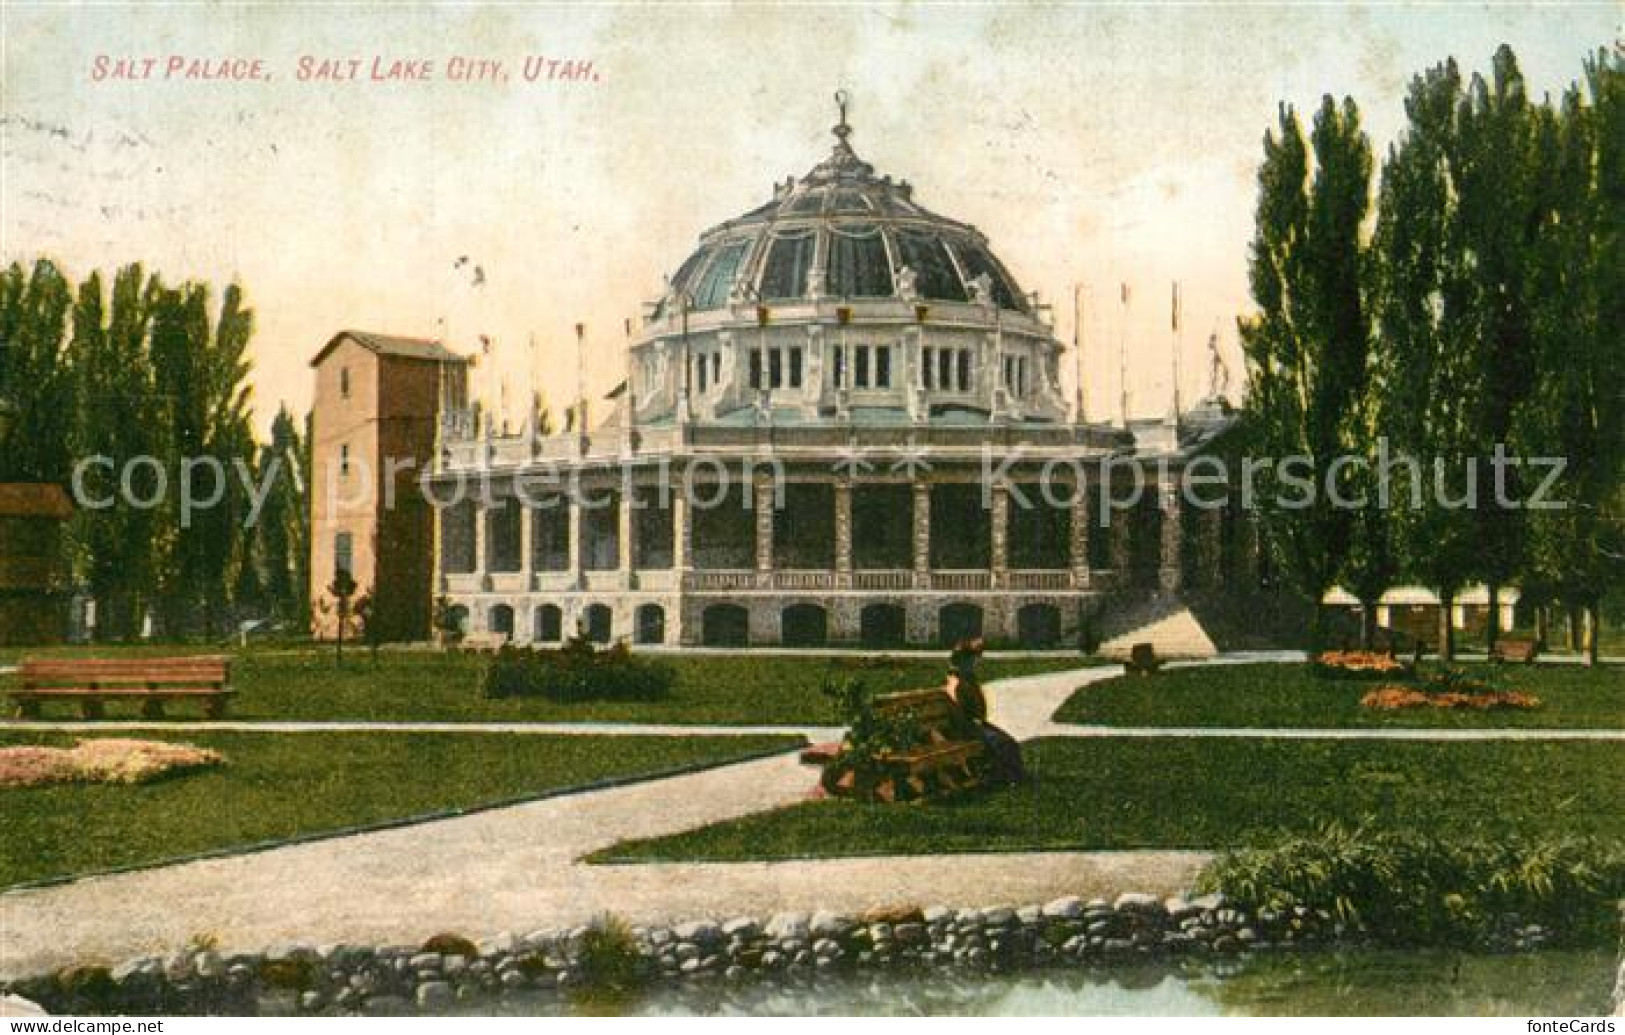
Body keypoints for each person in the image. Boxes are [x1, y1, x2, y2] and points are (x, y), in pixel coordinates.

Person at [944, 638, 1028, 786]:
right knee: (1001, 743)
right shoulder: (956, 681)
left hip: (974, 724)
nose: (974, 663)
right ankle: (1010, 776)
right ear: (961, 661)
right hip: (965, 728)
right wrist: (976, 723)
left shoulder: (967, 679)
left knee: (1008, 741)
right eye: (971, 660)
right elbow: (959, 710)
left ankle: (1014, 775)